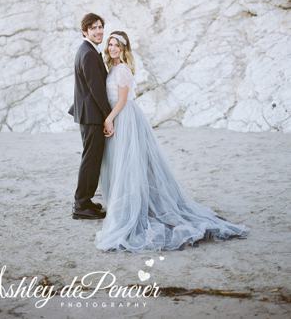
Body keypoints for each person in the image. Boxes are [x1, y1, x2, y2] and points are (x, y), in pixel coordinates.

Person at [94, 31, 248, 251]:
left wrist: (109, 118)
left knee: (130, 163)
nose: (112, 48)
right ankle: (126, 205)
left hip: (124, 117)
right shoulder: (113, 68)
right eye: (110, 44)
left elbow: (122, 100)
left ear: (124, 48)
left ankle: (135, 208)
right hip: (119, 118)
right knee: (123, 164)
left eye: (116, 45)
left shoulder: (122, 70)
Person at [68, 13, 111, 220]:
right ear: (85, 31)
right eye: (93, 28)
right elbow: (96, 90)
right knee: (90, 160)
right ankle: (81, 204)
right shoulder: (88, 54)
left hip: (89, 114)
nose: (99, 31)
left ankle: (85, 201)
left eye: (101, 26)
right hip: (92, 116)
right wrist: (108, 117)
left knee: (91, 159)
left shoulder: (88, 51)